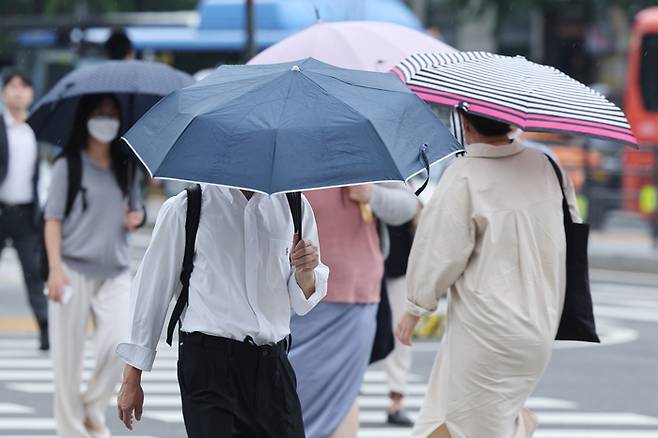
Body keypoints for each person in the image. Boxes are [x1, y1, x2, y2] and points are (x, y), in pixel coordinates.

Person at [396, 110, 580, 438]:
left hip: (486, 330)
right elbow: (572, 231)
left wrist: (414, 308)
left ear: (465, 125)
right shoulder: (546, 167)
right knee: (441, 418)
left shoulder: (465, 173)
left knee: (473, 425)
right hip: (539, 320)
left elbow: (438, 250)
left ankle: (519, 429)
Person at [115, 186, 329, 438]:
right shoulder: (187, 207)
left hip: (272, 366)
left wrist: (305, 273)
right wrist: (132, 376)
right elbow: (152, 289)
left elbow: (302, 302)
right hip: (210, 366)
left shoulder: (294, 206)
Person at [44, 93, 144, 437]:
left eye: (112, 113)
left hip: (115, 272)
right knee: (67, 362)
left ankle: (90, 406)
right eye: (100, 113)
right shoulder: (67, 166)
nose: (106, 119)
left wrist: (136, 216)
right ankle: (71, 430)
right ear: (86, 117)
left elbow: (137, 209)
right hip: (72, 269)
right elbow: (52, 219)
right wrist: (55, 269)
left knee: (119, 343)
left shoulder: (126, 166)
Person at [289, 184, 417, 438]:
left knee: (343, 397)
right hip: (294, 294)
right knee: (292, 393)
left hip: (355, 292)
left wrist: (373, 194)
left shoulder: (362, 152)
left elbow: (408, 206)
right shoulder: (287, 153)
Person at [0, 69, 49, 350]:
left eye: (24, 86)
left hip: (25, 214)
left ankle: (45, 329)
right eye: (12, 86)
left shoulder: (36, 129)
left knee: (34, 274)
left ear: (31, 93)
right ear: (4, 92)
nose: (18, 91)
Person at [382, 221, 416, 426]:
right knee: (352, 336)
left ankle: (397, 399)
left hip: (399, 264)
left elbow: (410, 209)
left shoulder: (407, 189)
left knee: (400, 334)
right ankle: (346, 399)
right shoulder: (345, 188)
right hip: (360, 265)